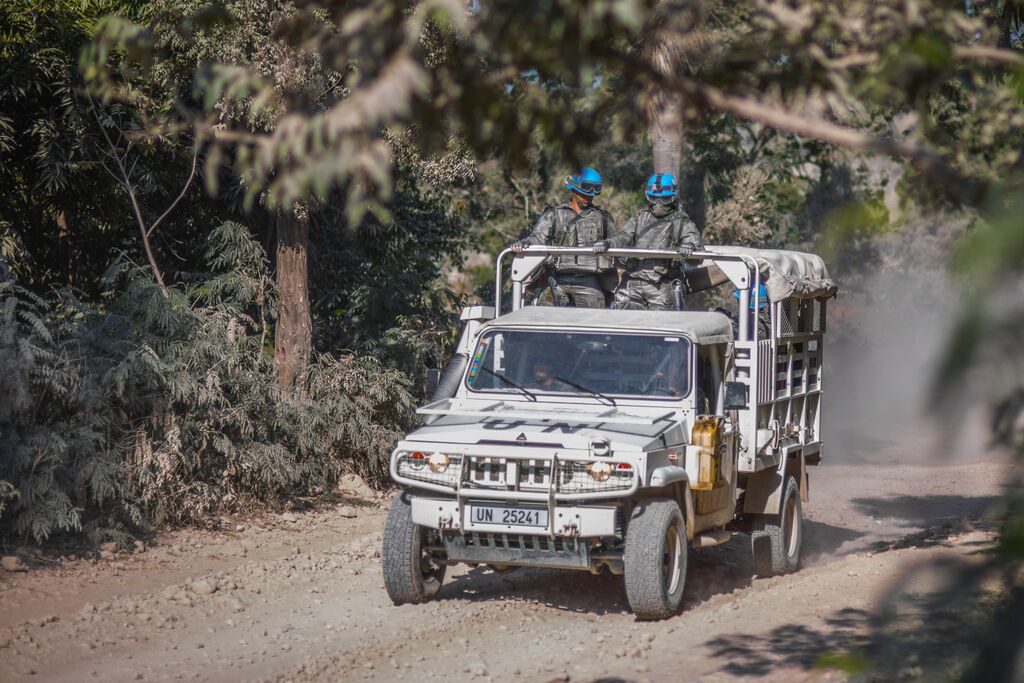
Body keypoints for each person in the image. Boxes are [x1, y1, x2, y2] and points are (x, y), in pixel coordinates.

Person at [594, 173, 703, 311]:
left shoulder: (681, 221)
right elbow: (622, 239)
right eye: (654, 199)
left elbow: (693, 243)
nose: (658, 204)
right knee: (621, 322)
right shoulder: (639, 218)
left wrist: (689, 246)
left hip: (660, 286)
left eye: (664, 199)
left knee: (659, 327)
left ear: (673, 197)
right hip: (631, 283)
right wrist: (607, 244)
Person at [510, 167, 616, 308]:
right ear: (575, 188)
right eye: (585, 191)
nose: (589, 196)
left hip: (589, 280)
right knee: (542, 315)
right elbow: (538, 238)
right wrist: (525, 243)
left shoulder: (603, 217)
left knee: (595, 322)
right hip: (558, 279)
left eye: (594, 191)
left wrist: (607, 244)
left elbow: (617, 243)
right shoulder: (554, 215)